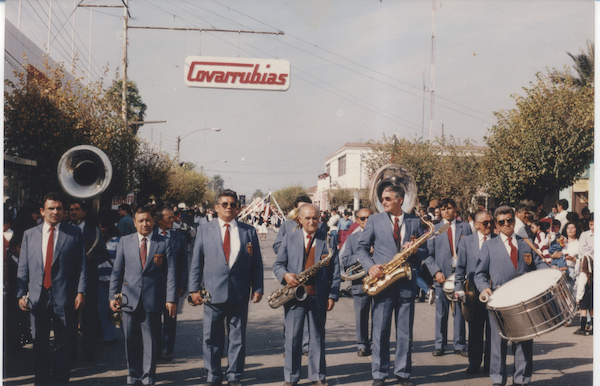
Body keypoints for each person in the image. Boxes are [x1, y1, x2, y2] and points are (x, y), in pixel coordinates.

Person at [189, 189, 264, 386]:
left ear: (238, 208)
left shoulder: (248, 231)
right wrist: (193, 289)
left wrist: (258, 287)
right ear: (216, 208)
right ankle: (213, 375)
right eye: (225, 204)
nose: (229, 207)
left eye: (233, 204)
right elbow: (196, 262)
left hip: (239, 292)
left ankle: (234, 376)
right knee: (211, 338)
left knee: (237, 338)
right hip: (212, 293)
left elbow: (256, 263)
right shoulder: (205, 230)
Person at [357, 185, 427, 386]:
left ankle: (403, 374)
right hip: (383, 282)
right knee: (380, 331)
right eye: (382, 198)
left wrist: (414, 251)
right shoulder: (375, 220)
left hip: (406, 283)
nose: (383, 202)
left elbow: (425, 251)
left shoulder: (414, 221)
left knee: (405, 332)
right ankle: (379, 374)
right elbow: (362, 248)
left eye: (387, 198)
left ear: (400, 200)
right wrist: (370, 267)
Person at [17, 192, 86, 384]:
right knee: (39, 342)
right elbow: (23, 267)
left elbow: (81, 265)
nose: (55, 212)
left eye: (59, 208)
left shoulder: (73, 233)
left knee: (63, 343)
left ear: (63, 211)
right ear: (42, 211)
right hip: (38, 297)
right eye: (51, 208)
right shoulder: (30, 235)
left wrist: (81, 291)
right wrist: (21, 293)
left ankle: (59, 381)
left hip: (64, 296)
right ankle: (41, 381)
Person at [474, 206, 549, 386]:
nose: (506, 224)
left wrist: (549, 275)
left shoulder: (525, 242)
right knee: (497, 343)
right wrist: (484, 288)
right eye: (502, 222)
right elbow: (479, 274)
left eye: (509, 220)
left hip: (523, 300)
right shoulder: (489, 245)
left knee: (524, 342)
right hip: (499, 300)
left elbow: (539, 264)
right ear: (497, 226)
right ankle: (498, 379)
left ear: (514, 221)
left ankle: (521, 379)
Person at [273, 203, 340, 386]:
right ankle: (291, 378)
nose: (312, 221)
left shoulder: (327, 239)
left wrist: (332, 295)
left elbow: (335, 270)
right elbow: (278, 265)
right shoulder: (289, 238)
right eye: (308, 218)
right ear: (300, 220)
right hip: (294, 296)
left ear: (320, 219)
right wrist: (286, 276)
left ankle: (317, 376)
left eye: (315, 218)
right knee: (293, 339)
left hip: (318, 296)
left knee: (317, 338)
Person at [110, 207, 177, 386]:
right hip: (129, 300)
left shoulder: (163, 243)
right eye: (140, 221)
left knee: (150, 341)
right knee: (130, 339)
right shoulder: (124, 242)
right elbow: (116, 272)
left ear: (154, 221)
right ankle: (133, 376)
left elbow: (171, 273)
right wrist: (112, 296)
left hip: (153, 299)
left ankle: (148, 377)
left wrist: (170, 299)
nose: (144, 224)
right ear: (134, 222)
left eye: (147, 220)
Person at [424, 198, 471, 357]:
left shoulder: (465, 227)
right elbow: (428, 255)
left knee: (459, 311)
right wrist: (436, 271)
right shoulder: (437, 229)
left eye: (449, 208)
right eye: (443, 209)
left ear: (455, 209)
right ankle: (440, 344)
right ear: (440, 211)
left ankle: (459, 345)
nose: (446, 211)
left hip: (460, 276)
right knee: (441, 312)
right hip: (442, 276)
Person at [454, 209, 494, 375]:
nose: (489, 226)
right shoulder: (466, 242)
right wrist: (458, 288)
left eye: (491, 222)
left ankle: (491, 365)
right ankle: (474, 363)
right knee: (475, 330)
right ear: (476, 224)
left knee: (492, 331)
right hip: (473, 293)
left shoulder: (497, 241)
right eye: (485, 223)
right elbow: (460, 268)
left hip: (493, 292)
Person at [69, 200, 109, 362]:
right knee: (70, 318)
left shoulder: (94, 230)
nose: (73, 212)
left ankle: (89, 352)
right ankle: (70, 353)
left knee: (89, 317)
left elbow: (104, 254)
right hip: (70, 280)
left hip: (89, 279)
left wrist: (93, 258)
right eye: (71, 209)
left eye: (76, 209)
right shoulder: (65, 229)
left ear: (84, 212)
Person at [154, 207, 188, 361]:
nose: (172, 220)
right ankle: (153, 348)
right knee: (153, 318)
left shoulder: (179, 238)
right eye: (168, 218)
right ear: (159, 220)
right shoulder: (151, 236)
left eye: (173, 217)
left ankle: (167, 349)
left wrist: (182, 284)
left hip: (172, 285)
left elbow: (183, 263)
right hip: (154, 285)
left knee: (170, 318)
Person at [340, 208, 373, 357]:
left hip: (380, 281)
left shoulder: (382, 236)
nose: (366, 221)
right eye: (362, 218)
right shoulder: (352, 239)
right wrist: (361, 256)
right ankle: (362, 344)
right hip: (360, 283)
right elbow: (345, 260)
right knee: (361, 316)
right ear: (357, 220)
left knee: (379, 316)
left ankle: (376, 343)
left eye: (369, 218)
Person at [97, 217, 119, 345]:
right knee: (103, 309)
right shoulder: (96, 242)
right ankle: (110, 336)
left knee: (118, 308)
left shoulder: (117, 242)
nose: (101, 229)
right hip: (100, 280)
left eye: (103, 226)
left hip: (114, 281)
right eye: (99, 226)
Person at [574, 254, 593, 335]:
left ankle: (582, 330)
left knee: (583, 312)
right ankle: (594, 329)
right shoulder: (592, 274)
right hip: (592, 295)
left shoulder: (583, 274)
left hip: (584, 296)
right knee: (592, 312)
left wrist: (578, 298)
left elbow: (581, 288)